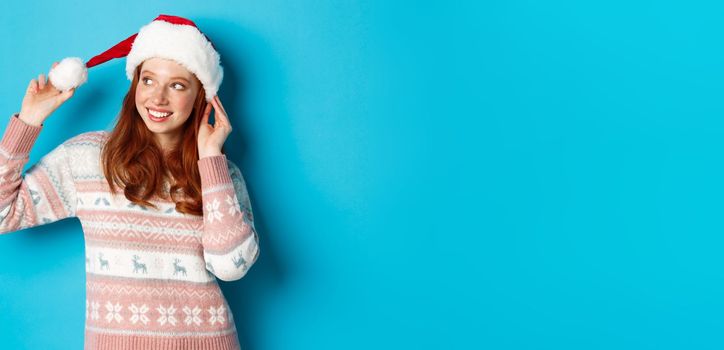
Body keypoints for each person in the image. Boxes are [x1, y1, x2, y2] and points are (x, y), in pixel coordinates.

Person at [0, 14, 259, 350]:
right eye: (148, 80)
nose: (158, 97)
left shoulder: (221, 174)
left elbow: (231, 267)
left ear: (201, 97)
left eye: (177, 85)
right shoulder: (88, 158)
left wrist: (211, 158)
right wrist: (29, 121)